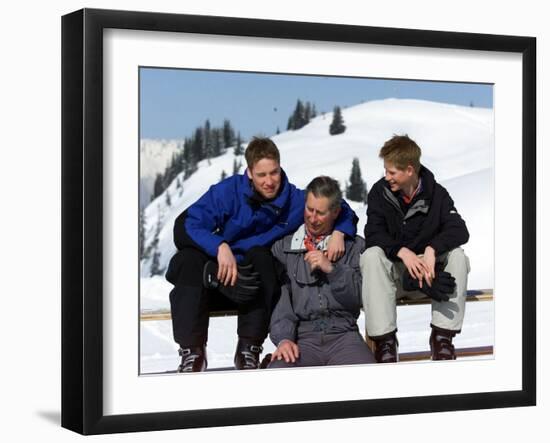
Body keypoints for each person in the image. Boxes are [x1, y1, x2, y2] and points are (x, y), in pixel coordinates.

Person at [165, 137, 358, 372]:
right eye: (261, 175)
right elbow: (185, 225)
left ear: (280, 167)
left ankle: (249, 348)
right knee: (186, 261)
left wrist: (340, 231)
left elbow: (341, 207)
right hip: (220, 276)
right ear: (249, 173)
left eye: (274, 173)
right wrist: (219, 246)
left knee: (262, 256)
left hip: (256, 286)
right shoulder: (228, 192)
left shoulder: (295, 201)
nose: (269, 181)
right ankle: (192, 352)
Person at [360, 134, 470, 363]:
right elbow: (372, 233)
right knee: (371, 255)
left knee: (458, 256)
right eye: (386, 171)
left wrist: (431, 249)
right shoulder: (379, 193)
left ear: (409, 170)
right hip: (394, 279)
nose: (387, 177)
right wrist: (402, 252)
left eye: (392, 172)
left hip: (431, 276)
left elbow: (459, 230)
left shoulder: (437, 195)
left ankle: (442, 339)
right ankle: (385, 342)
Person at [268, 176, 375, 368]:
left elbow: (359, 298)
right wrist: (283, 338)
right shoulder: (284, 249)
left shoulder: (354, 247)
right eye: (309, 209)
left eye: (320, 213)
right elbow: (280, 301)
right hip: (302, 340)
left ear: (335, 212)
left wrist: (333, 270)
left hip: (345, 336)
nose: (312, 218)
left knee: (366, 377)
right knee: (277, 375)